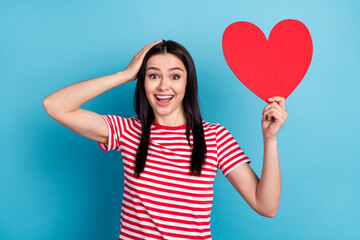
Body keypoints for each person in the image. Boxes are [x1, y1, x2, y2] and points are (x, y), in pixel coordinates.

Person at [43, 39, 288, 240]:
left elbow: (266, 206)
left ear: (187, 82)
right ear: (143, 82)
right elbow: (55, 106)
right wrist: (124, 75)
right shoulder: (128, 131)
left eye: (174, 76)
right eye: (153, 76)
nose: (163, 87)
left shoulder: (215, 137)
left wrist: (270, 139)